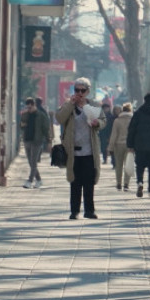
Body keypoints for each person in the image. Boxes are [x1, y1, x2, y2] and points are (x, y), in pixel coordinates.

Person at [56, 77, 102, 219]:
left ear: (88, 91)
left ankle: (89, 211)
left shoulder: (93, 105)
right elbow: (59, 118)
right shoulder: (68, 105)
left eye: (83, 90)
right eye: (77, 90)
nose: (80, 93)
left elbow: (103, 121)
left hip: (89, 151)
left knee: (89, 183)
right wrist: (70, 104)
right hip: (73, 152)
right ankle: (74, 211)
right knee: (75, 182)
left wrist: (97, 123)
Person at [127, 94, 150, 198]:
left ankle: (140, 182)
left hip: (140, 145)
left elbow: (131, 129)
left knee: (140, 166)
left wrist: (130, 144)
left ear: (144, 100)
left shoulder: (138, 113)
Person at [20, 97, 50, 188]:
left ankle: (29, 181)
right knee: (30, 162)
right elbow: (21, 126)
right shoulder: (25, 114)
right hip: (27, 139)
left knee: (33, 162)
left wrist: (48, 141)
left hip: (37, 140)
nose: (28, 109)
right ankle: (39, 180)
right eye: (27, 107)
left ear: (34, 105)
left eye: (30, 107)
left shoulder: (41, 115)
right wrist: (22, 124)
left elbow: (46, 129)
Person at [108, 103, 134, 190]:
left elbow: (113, 135)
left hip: (118, 145)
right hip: (130, 145)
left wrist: (110, 147)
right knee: (128, 165)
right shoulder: (133, 120)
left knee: (118, 165)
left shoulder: (117, 121)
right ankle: (126, 184)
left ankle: (118, 183)